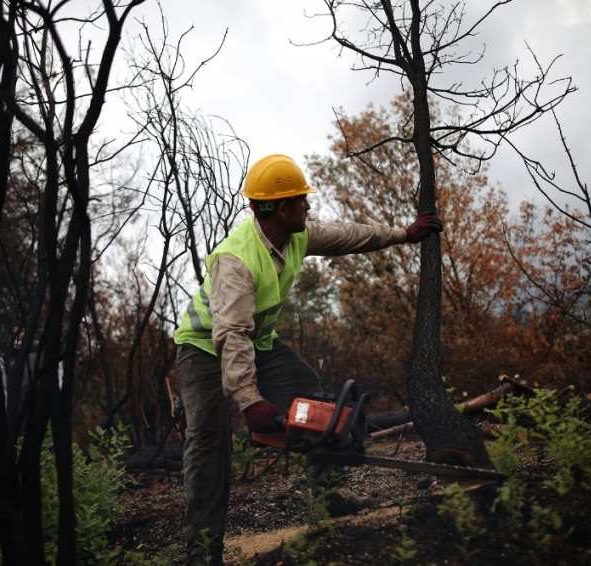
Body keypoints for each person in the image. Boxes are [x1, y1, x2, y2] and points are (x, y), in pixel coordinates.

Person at [173, 154, 444, 565]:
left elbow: (344, 235)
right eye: (303, 200)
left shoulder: (295, 234)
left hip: (257, 343)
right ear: (283, 208)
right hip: (202, 347)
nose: (309, 207)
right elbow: (229, 334)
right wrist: (249, 400)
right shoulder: (236, 261)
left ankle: (330, 496)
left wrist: (402, 234)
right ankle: (202, 551)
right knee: (209, 440)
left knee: (307, 393)